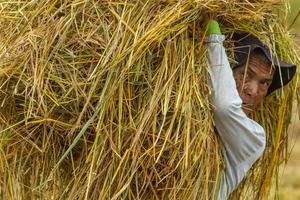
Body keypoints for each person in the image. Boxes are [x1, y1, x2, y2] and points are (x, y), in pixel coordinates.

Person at [205, 20, 297, 199]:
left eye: (264, 83)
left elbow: (223, 106)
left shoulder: (254, 137)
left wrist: (214, 38)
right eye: (246, 74)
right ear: (227, 70)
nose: (253, 91)